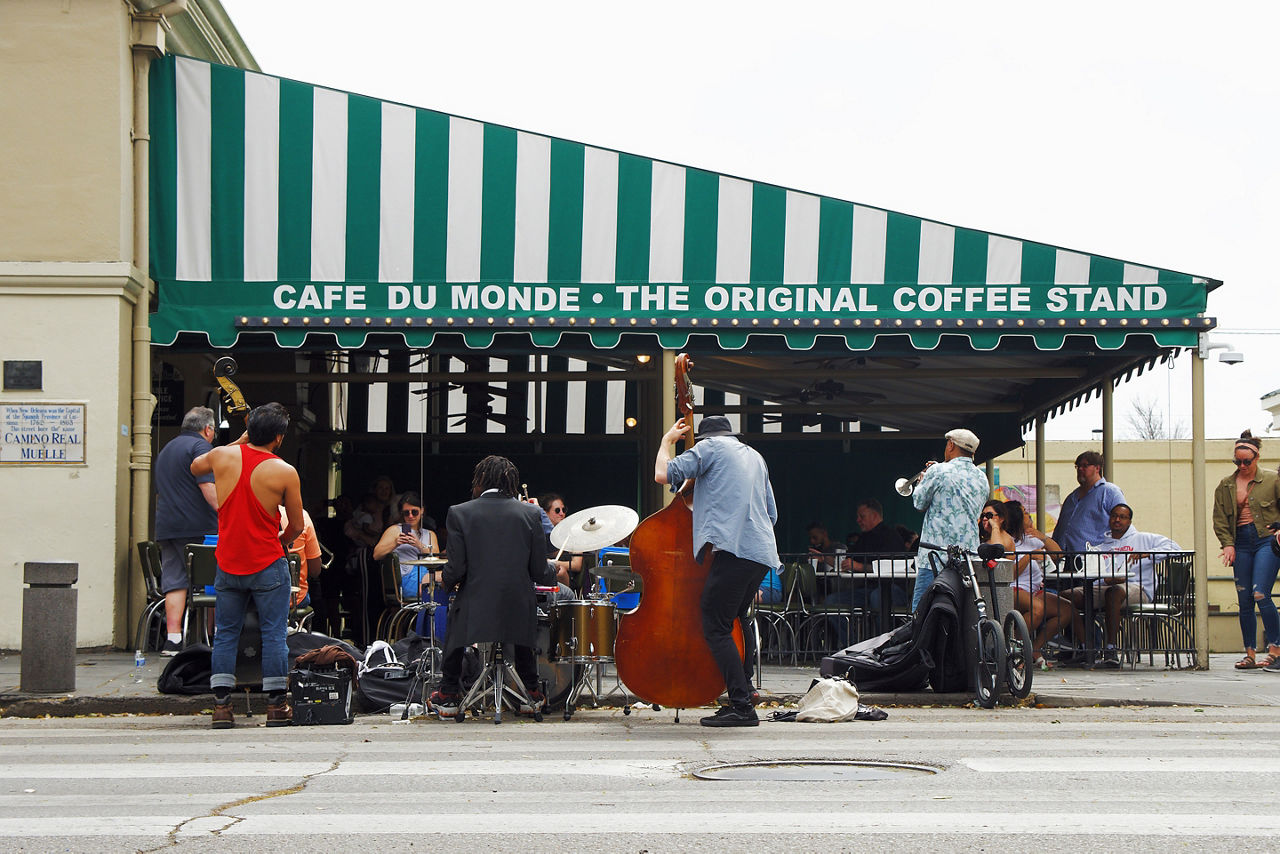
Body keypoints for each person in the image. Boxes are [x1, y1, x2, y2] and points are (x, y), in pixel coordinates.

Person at [655, 414, 780, 728]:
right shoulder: (755, 456)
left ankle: (741, 706)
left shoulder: (708, 449)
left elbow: (662, 474)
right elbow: (772, 512)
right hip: (761, 551)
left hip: (735, 549)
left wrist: (667, 440)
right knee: (739, 615)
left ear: (706, 437)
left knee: (714, 625)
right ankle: (746, 688)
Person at [190, 402, 303, 729]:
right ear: (279, 438)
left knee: (225, 633)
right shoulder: (284, 471)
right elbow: (296, 525)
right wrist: (281, 540)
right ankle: (276, 705)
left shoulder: (221, 456)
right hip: (268, 561)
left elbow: (196, 466)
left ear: (249, 431)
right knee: (273, 634)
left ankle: (222, 707)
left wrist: (239, 442)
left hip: (228, 562)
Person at [428, 456, 554, 715]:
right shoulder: (531, 513)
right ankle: (530, 691)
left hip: (476, 607)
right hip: (517, 607)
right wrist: (555, 571)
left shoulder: (459, 512)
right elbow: (540, 571)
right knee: (524, 611)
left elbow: (457, 568)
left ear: (480, 481)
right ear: (511, 483)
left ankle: (449, 693)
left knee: (455, 618)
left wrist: (446, 582)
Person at [1073, 503, 1181, 669]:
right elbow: (1093, 576)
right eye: (1114, 516)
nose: (1117, 520)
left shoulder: (1144, 539)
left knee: (1114, 592)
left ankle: (1111, 650)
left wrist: (1149, 554)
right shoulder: (1102, 546)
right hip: (1107, 587)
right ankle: (1085, 647)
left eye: (1122, 517)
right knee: (1069, 597)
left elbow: (1176, 549)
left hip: (1138, 588)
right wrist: (1105, 580)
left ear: (1130, 521)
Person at [152, 406, 219, 656]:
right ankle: (210, 637)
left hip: (168, 527)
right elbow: (207, 487)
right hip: (200, 527)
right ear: (208, 429)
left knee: (175, 581)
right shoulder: (201, 448)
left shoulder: (167, 449)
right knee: (213, 581)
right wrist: (226, 512)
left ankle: (173, 639)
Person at [1213, 430, 1280, 670]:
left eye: (1246, 461)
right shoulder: (1226, 485)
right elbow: (1220, 518)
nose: (1242, 466)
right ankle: (1250, 653)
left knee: (1261, 593)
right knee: (1244, 599)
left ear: (1257, 457)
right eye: (1237, 461)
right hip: (1240, 541)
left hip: (1266, 539)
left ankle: (1275, 649)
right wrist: (1227, 544)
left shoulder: (1273, 479)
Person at [910, 428, 990, 612]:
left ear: (951, 444)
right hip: (967, 558)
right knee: (963, 614)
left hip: (935, 556)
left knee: (921, 613)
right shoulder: (982, 477)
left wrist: (923, 480)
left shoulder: (938, 471)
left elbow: (918, 502)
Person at [1002, 501, 1071, 670]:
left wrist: (1043, 537)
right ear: (1016, 518)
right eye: (1025, 513)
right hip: (1014, 588)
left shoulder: (1031, 539)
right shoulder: (1007, 541)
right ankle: (1014, 648)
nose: (1029, 515)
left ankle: (1035, 648)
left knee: (1066, 610)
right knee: (1037, 608)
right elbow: (1009, 574)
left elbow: (1058, 555)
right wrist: (1029, 557)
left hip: (1034, 590)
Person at [372, 491, 446, 638]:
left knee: (447, 577)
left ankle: (437, 632)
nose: (411, 516)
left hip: (425, 576)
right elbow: (376, 554)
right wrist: (395, 543)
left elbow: (436, 558)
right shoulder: (395, 530)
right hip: (405, 579)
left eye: (414, 512)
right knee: (443, 579)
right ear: (401, 513)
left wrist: (419, 545)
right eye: (406, 513)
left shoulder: (429, 534)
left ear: (422, 511)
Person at [1052, 451, 1126, 555]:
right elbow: (1059, 529)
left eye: (1085, 465)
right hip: (1066, 560)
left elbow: (1123, 524)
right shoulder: (1071, 498)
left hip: (1096, 560)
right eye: (1078, 466)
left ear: (1097, 468)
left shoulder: (1110, 492)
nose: (1080, 469)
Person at [279, 504, 323, 610]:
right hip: (294, 599)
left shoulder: (245, 516)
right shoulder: (302, 516)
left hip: (254, 598)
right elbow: (315, 570)